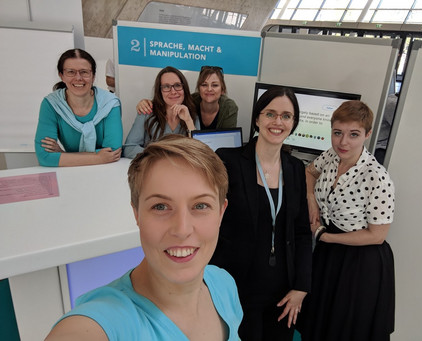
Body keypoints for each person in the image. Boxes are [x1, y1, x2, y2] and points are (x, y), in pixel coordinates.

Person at [45, 134, 243, 340]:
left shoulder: (223, 283)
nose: (182, 229)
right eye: (160, 206)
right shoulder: (104, 323)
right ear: (137, 213)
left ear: (221, 212)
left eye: (201, 206)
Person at [210, 86, 312, 341]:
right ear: (257, 118)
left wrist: (301, 286)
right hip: (236, 286)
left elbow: (301, 232)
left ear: (294, 123)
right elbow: (209, 221)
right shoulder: (227, 161)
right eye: (271, 114)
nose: (278, 122)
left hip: (282, 292)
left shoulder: (296, 168)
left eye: (286, 116)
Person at [299, 100, 395, 341]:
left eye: (354, 134)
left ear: (368, 134)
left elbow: (377, 235)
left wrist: (324, 236)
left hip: (359, 260)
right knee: (319, 319)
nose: (343, 142)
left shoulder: (377, 178)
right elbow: (309, 171)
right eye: (337, 133)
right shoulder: (333, 155)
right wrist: (311, 198)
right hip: (328, 252)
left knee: (343, 328)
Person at [34, 49, 123, 167]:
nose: (78, 78)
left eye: (84, 72)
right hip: (69, 175)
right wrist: (98, 157)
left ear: (93, 76)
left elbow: (113, 153)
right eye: (71, 72)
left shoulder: (110, 103)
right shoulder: (51, 104)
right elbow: (44, 157)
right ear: (61, 75)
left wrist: (63, 155)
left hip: (106, 171)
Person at [123, 66, 200, 159]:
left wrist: (188, 121)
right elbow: (129, 148)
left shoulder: (191, 115)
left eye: (177, 85)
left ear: (184, 88)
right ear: (160, 91)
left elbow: (199, 152)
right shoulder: (146, 112)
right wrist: (161, 156)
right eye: (166, 87)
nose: (173, 91)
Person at [136, 65, 238, 130]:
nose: (209, 89)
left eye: (215, 85)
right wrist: (146, 102)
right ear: (198, 88)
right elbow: (167, 100)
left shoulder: (229, 107)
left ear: (223, 90)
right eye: (204, 85)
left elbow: (227, 141)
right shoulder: (190, 101)